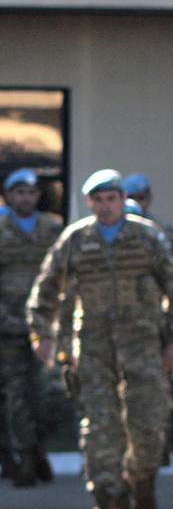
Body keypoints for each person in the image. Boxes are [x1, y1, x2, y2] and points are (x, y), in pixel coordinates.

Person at [29, 169, 173, 509]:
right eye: (98, 200)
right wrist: (41, 335)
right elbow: (45, 291)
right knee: (100, 432)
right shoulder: (75, 240)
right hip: (93, 353)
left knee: (147, 426)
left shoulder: (149, 238)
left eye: (112, 199)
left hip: (144, 350)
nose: (105, 206)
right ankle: (109, 498)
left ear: (123, 200)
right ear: (89, 202)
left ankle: (141, 481)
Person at [0, 169, 62, 487]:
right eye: (19, 191)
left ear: (39, 196)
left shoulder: (53, 229)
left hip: (44, 326)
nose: (25, 197)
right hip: (6, 328)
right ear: (8, 196)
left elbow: (65, 275)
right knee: (15, 396)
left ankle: (37, 447)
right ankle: (23, 457)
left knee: (50, 395)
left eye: (31, 192)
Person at [123, 173, 173, 276]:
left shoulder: (163, 230)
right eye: (131, 198)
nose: (136, 203)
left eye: (140, 198)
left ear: (149, 198)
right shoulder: (111, 227)